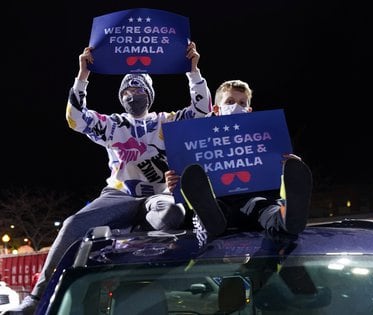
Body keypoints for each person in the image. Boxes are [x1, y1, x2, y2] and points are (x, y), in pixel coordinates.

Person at [7, 41, 212, 315]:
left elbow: (201, 112)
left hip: (158, 195)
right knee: (72, 225)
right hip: (118, 195)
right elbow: (76, 118)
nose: (132, 94)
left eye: (138, 88)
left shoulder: (168, 121)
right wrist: (83, 75)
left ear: (149, 93)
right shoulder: (113, 125)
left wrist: (192, 71)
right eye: (127, 89)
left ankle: (170, 281)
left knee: (172, 215)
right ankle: (37, 297)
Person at [165, 79, 312, 241]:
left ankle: (287, 218)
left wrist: (290, 167)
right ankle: (209, 222)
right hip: (218, 203)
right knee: (212, 210)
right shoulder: (194, 144)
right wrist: (176, 181)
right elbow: (191, 180)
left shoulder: (266, 139)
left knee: (267, 208)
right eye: (230, 101)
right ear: (216, 109)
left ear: (249, 110)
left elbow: (277, 173)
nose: (237, 106)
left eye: (242, 103)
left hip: (254, 201)